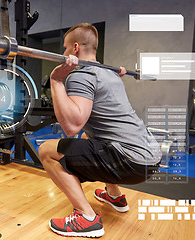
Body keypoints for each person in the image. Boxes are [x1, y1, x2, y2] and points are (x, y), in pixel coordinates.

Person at [38, 23, 161, 238]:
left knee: (47, 151)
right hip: (151, 157)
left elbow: (71, 127)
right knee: (89, 135)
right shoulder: (110, 75)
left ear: (75, 48)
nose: (63, 53)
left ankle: (86, 218)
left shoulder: (82, 75)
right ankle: (114, 196)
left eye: (65, 48)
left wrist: (56, 80)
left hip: (130, 160)